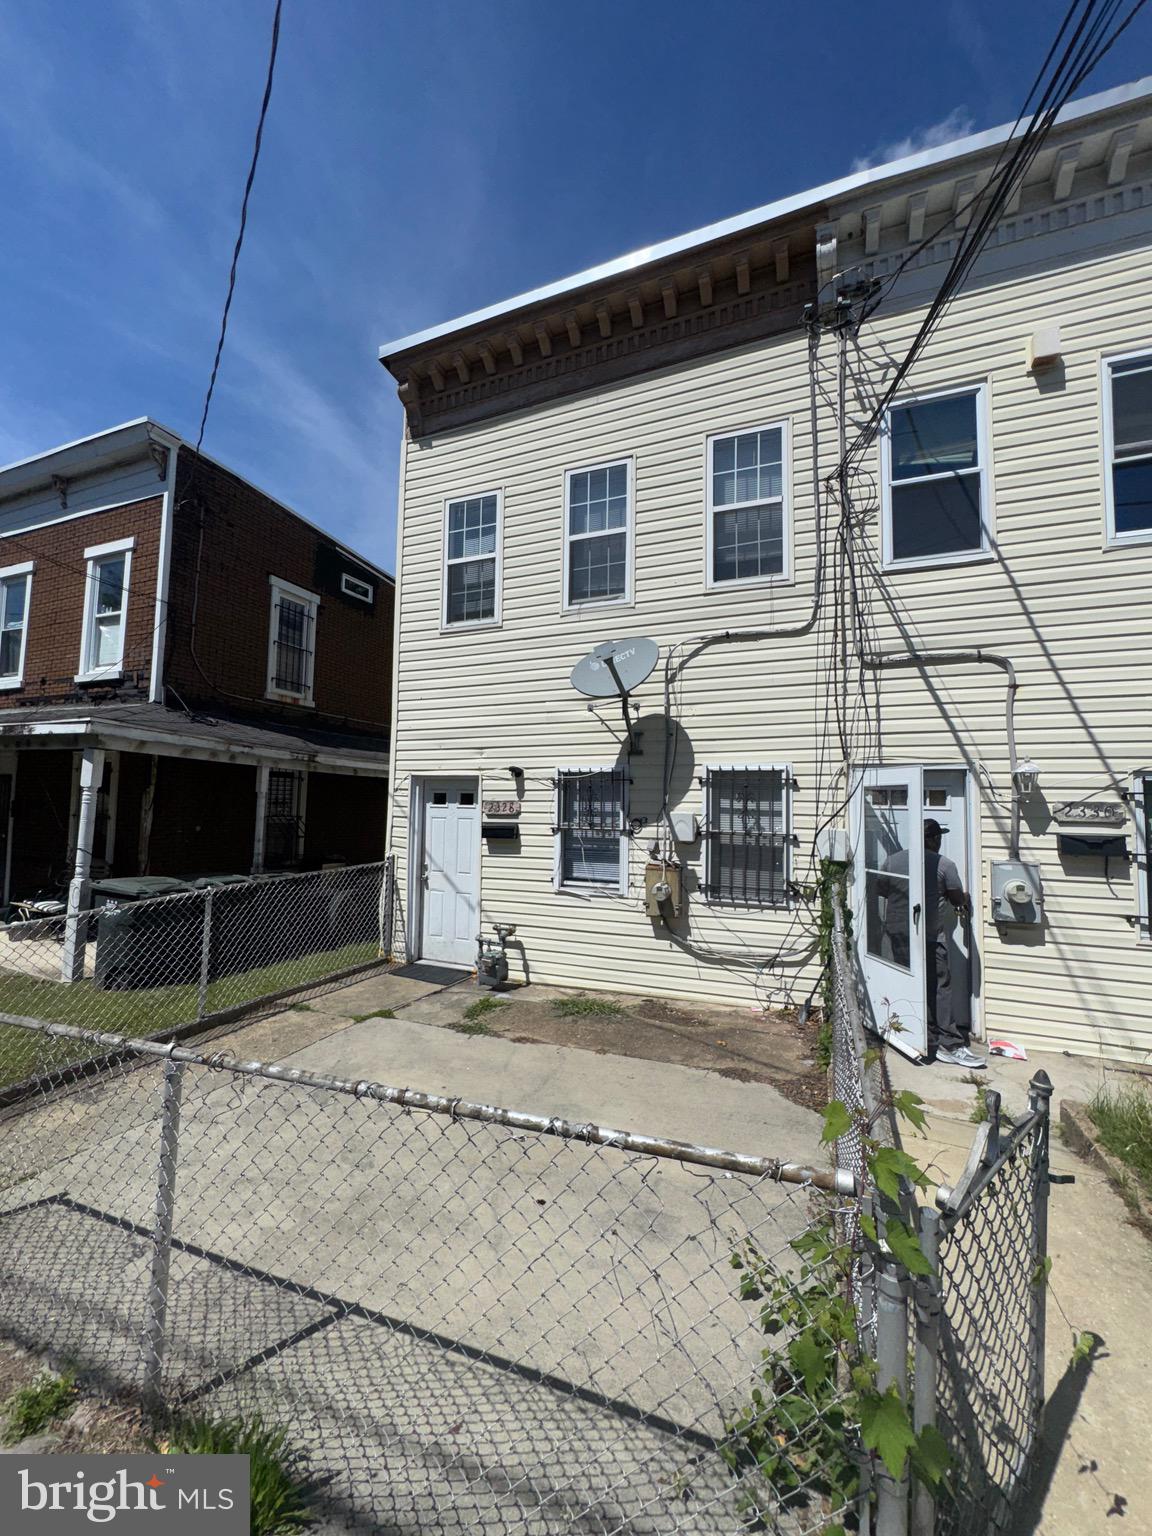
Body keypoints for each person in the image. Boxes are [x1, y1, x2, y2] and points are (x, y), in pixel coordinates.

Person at [924, 818, 984, 1069]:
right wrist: (965, 900)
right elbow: (957, 897)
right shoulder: (944, 865)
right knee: (941, 986)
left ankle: (923, 1035)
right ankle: (949, 1043)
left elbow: (883, 888)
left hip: (901, 935)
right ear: (935, 839)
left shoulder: (898, 860)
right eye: (939, 837)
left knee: (920, 986)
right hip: (932, 936)